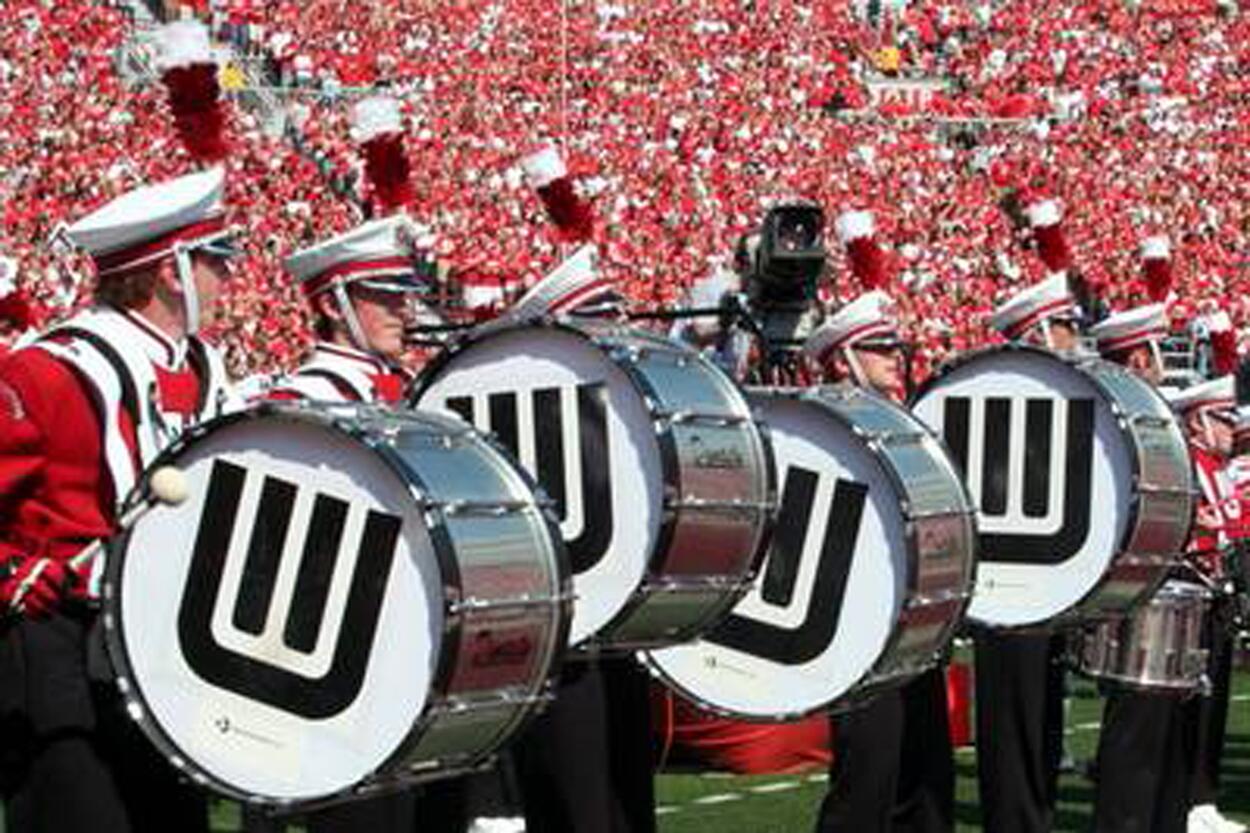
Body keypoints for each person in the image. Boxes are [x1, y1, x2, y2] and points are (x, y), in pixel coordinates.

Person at [0, 167, 238, 833]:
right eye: (217, 261)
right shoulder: (47, 369)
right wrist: (10, 571)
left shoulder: (201, 366)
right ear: (171, 271)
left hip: (165, 645)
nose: (229, 280)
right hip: (61, 647)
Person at [258, 214, 466, 833]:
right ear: (334, 305)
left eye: (403, 294)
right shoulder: (300, 402)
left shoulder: (411, 391)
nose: (403, 309)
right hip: (350, 659)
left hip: (425, 651)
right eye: (382, 297)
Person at [806, 290, 955, 833]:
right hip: (858, 627)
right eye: (879, 347)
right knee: (868, 778)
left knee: (928, 777)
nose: (897, 356)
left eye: (896, 345)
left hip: (915, 626)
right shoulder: (822, 430)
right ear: (843, 359)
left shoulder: (903, 424)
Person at [973, 272, 1082, 833]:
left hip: (1045, 588)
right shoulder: (1001, 403)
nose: (1073, 336)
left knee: (1041, 731)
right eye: (1064, 325)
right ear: (1037, 331)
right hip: (1010, 589)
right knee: (1015, 726)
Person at [1087, 302, 1191, 833]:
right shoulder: (1113, 426)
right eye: (1149, 355)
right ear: (1133, 359)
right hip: (1133, 590)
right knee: (1135, 732)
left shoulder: (1149, 418)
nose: (1157, 367)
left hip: (1162, 582)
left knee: (1167, 740)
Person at [1172, 376, 1246, 833]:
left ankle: (1203, 796)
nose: (1231, 428)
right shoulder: (1190, 466)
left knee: (1213, 703)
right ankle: (1187, 798)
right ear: (1199, 420)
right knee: (1192, 703)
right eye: (1222, 417)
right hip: (1193, 595)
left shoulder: (1218, 467)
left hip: (1219, 595)